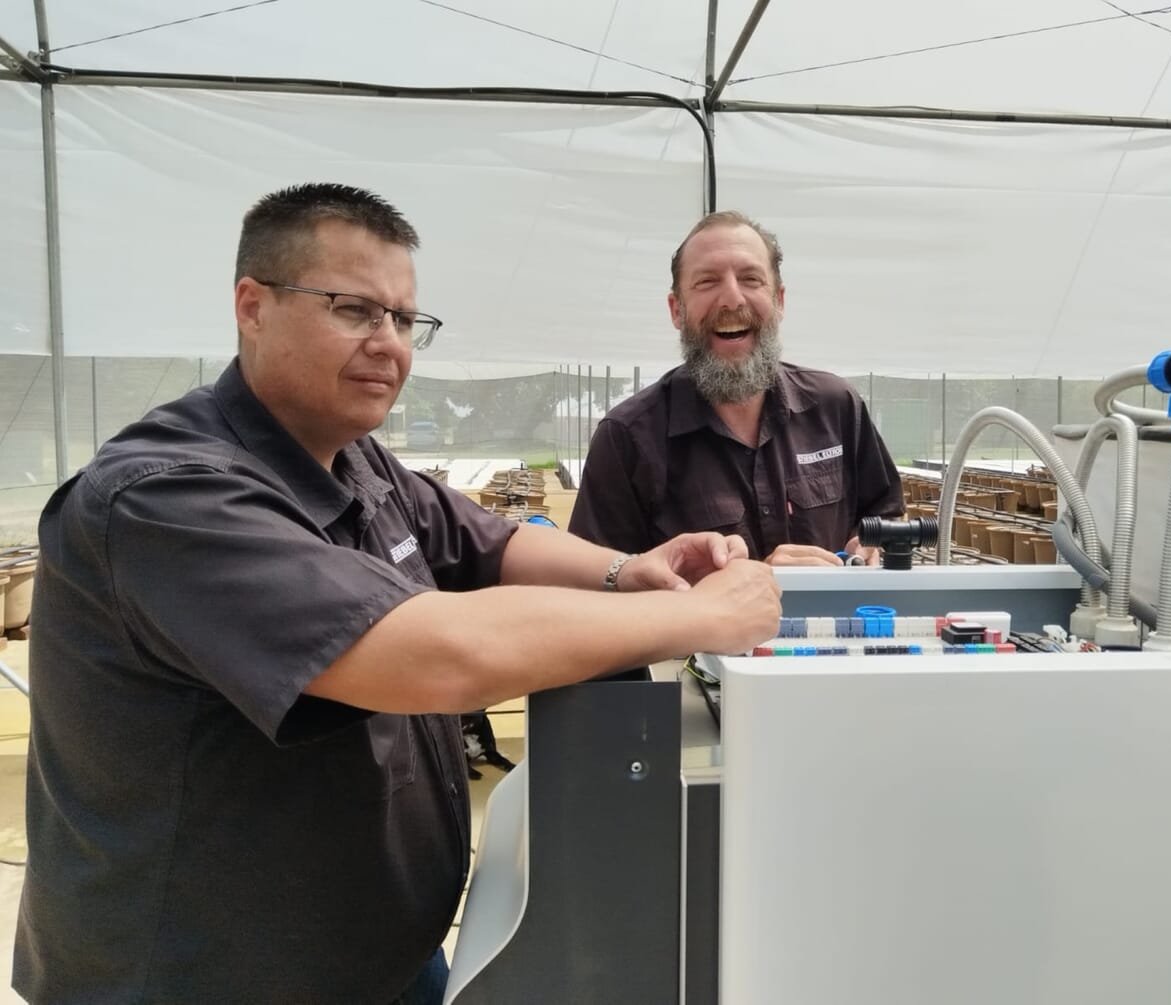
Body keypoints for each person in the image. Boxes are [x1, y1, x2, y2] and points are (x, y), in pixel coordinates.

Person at [13, 183, 781, 1005]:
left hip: (373, 954)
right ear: (252, 306)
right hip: (203, 975)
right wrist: (697, 616)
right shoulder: (170, 497)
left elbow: (494, 541)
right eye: (354, 309)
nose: (389, 344)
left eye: (404, 320)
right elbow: (440, 655)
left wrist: (630, 568)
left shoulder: (353, 459)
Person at [568, 211, 905, 566]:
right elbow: (593, 588)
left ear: (779, 301)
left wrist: (872, 547)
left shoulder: (836, 407)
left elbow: (885, 513)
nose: (732, 299)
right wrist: (757, 581)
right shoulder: (628, 440)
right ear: (676, 310)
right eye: (707, 282)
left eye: (750, 279)